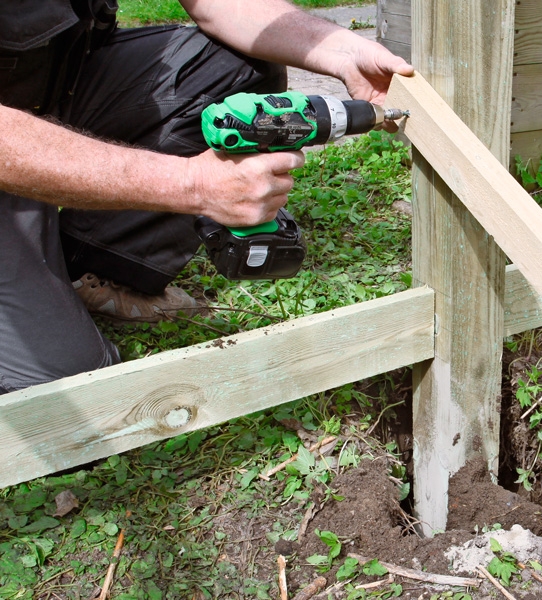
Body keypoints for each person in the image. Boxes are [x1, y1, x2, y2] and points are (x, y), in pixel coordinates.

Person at [0, 0, 414, 394]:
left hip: (48, 86)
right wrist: (193, 184)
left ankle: (86, 268)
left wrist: (342, 51)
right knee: (65, 386)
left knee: (235, 72)